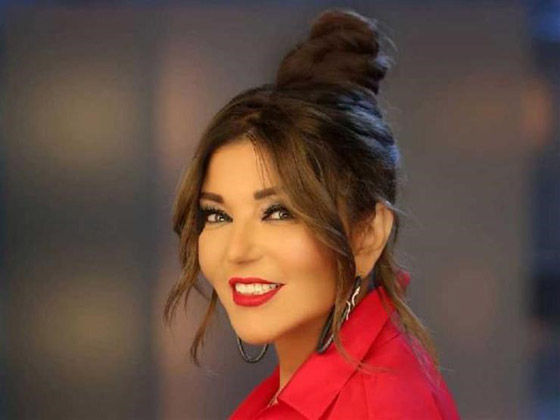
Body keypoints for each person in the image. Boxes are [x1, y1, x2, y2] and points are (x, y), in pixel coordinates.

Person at [164, 7, 461, 420]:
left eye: (278, 212)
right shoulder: (329, 381)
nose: (237, 251)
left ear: (367, 234)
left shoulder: (374, 405)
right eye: (217, 215)